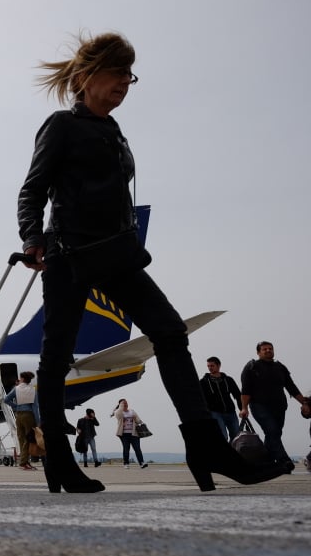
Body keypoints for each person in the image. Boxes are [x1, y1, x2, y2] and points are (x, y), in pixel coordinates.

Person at [16, 31, 288, 493]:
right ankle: (59, 463)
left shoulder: (114, 132)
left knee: (169, 331)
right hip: (70, 255)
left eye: (130, 74)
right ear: (88, 75)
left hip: (117, 256)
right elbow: (32, 189)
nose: (126, 81)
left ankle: (205, 446)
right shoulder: (61, 125)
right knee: (56, 354)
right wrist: (31, 238)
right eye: (118, 71)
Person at [240, 341, 307, 471]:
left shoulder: (280, 367)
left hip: (279, 407)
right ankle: (285, 461)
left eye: (270, 348)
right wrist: (244, 408)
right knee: (272, 431)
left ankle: (266, 462)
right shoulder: (251, 367)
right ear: (258, 352)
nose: (268, 351)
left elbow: (291, 387)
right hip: (259, 406)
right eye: (264, 349)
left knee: (274, 434)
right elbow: (245, 390)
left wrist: (304, 402)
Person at [3, 371, 40, 471]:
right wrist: (38, 422)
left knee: (21, 438)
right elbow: (35, 407)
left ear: (22, 379)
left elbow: (6, 399)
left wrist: (16, 406)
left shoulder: (16, 389)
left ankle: (25, 462)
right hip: (29, 415)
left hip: (19, 415)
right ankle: (24, 462)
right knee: (29, 439)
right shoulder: (33, 390)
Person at [199, 357, 243, 441]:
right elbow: (200, 399)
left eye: (212, 365)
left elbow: (238, 395)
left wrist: (242, 409)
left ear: (218, 365)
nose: (210, 368)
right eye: (208, 366)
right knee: (223, 436)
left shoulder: (228, 380)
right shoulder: (203, 382)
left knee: (236, 437)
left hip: (231, 412)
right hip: (215, 413)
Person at [110, 399, 147, 469]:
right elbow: (117, 414)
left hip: (134, 433)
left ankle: (141, 463)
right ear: (120, 405)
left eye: (126, 403)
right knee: (126, 449)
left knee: (137, 448)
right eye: (124, 403)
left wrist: (136, 419)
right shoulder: (119, 412)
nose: (126, 404)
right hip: (124, 434)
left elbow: (138, 420)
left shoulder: (132, 411)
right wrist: (121, 405)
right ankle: (126, 463)